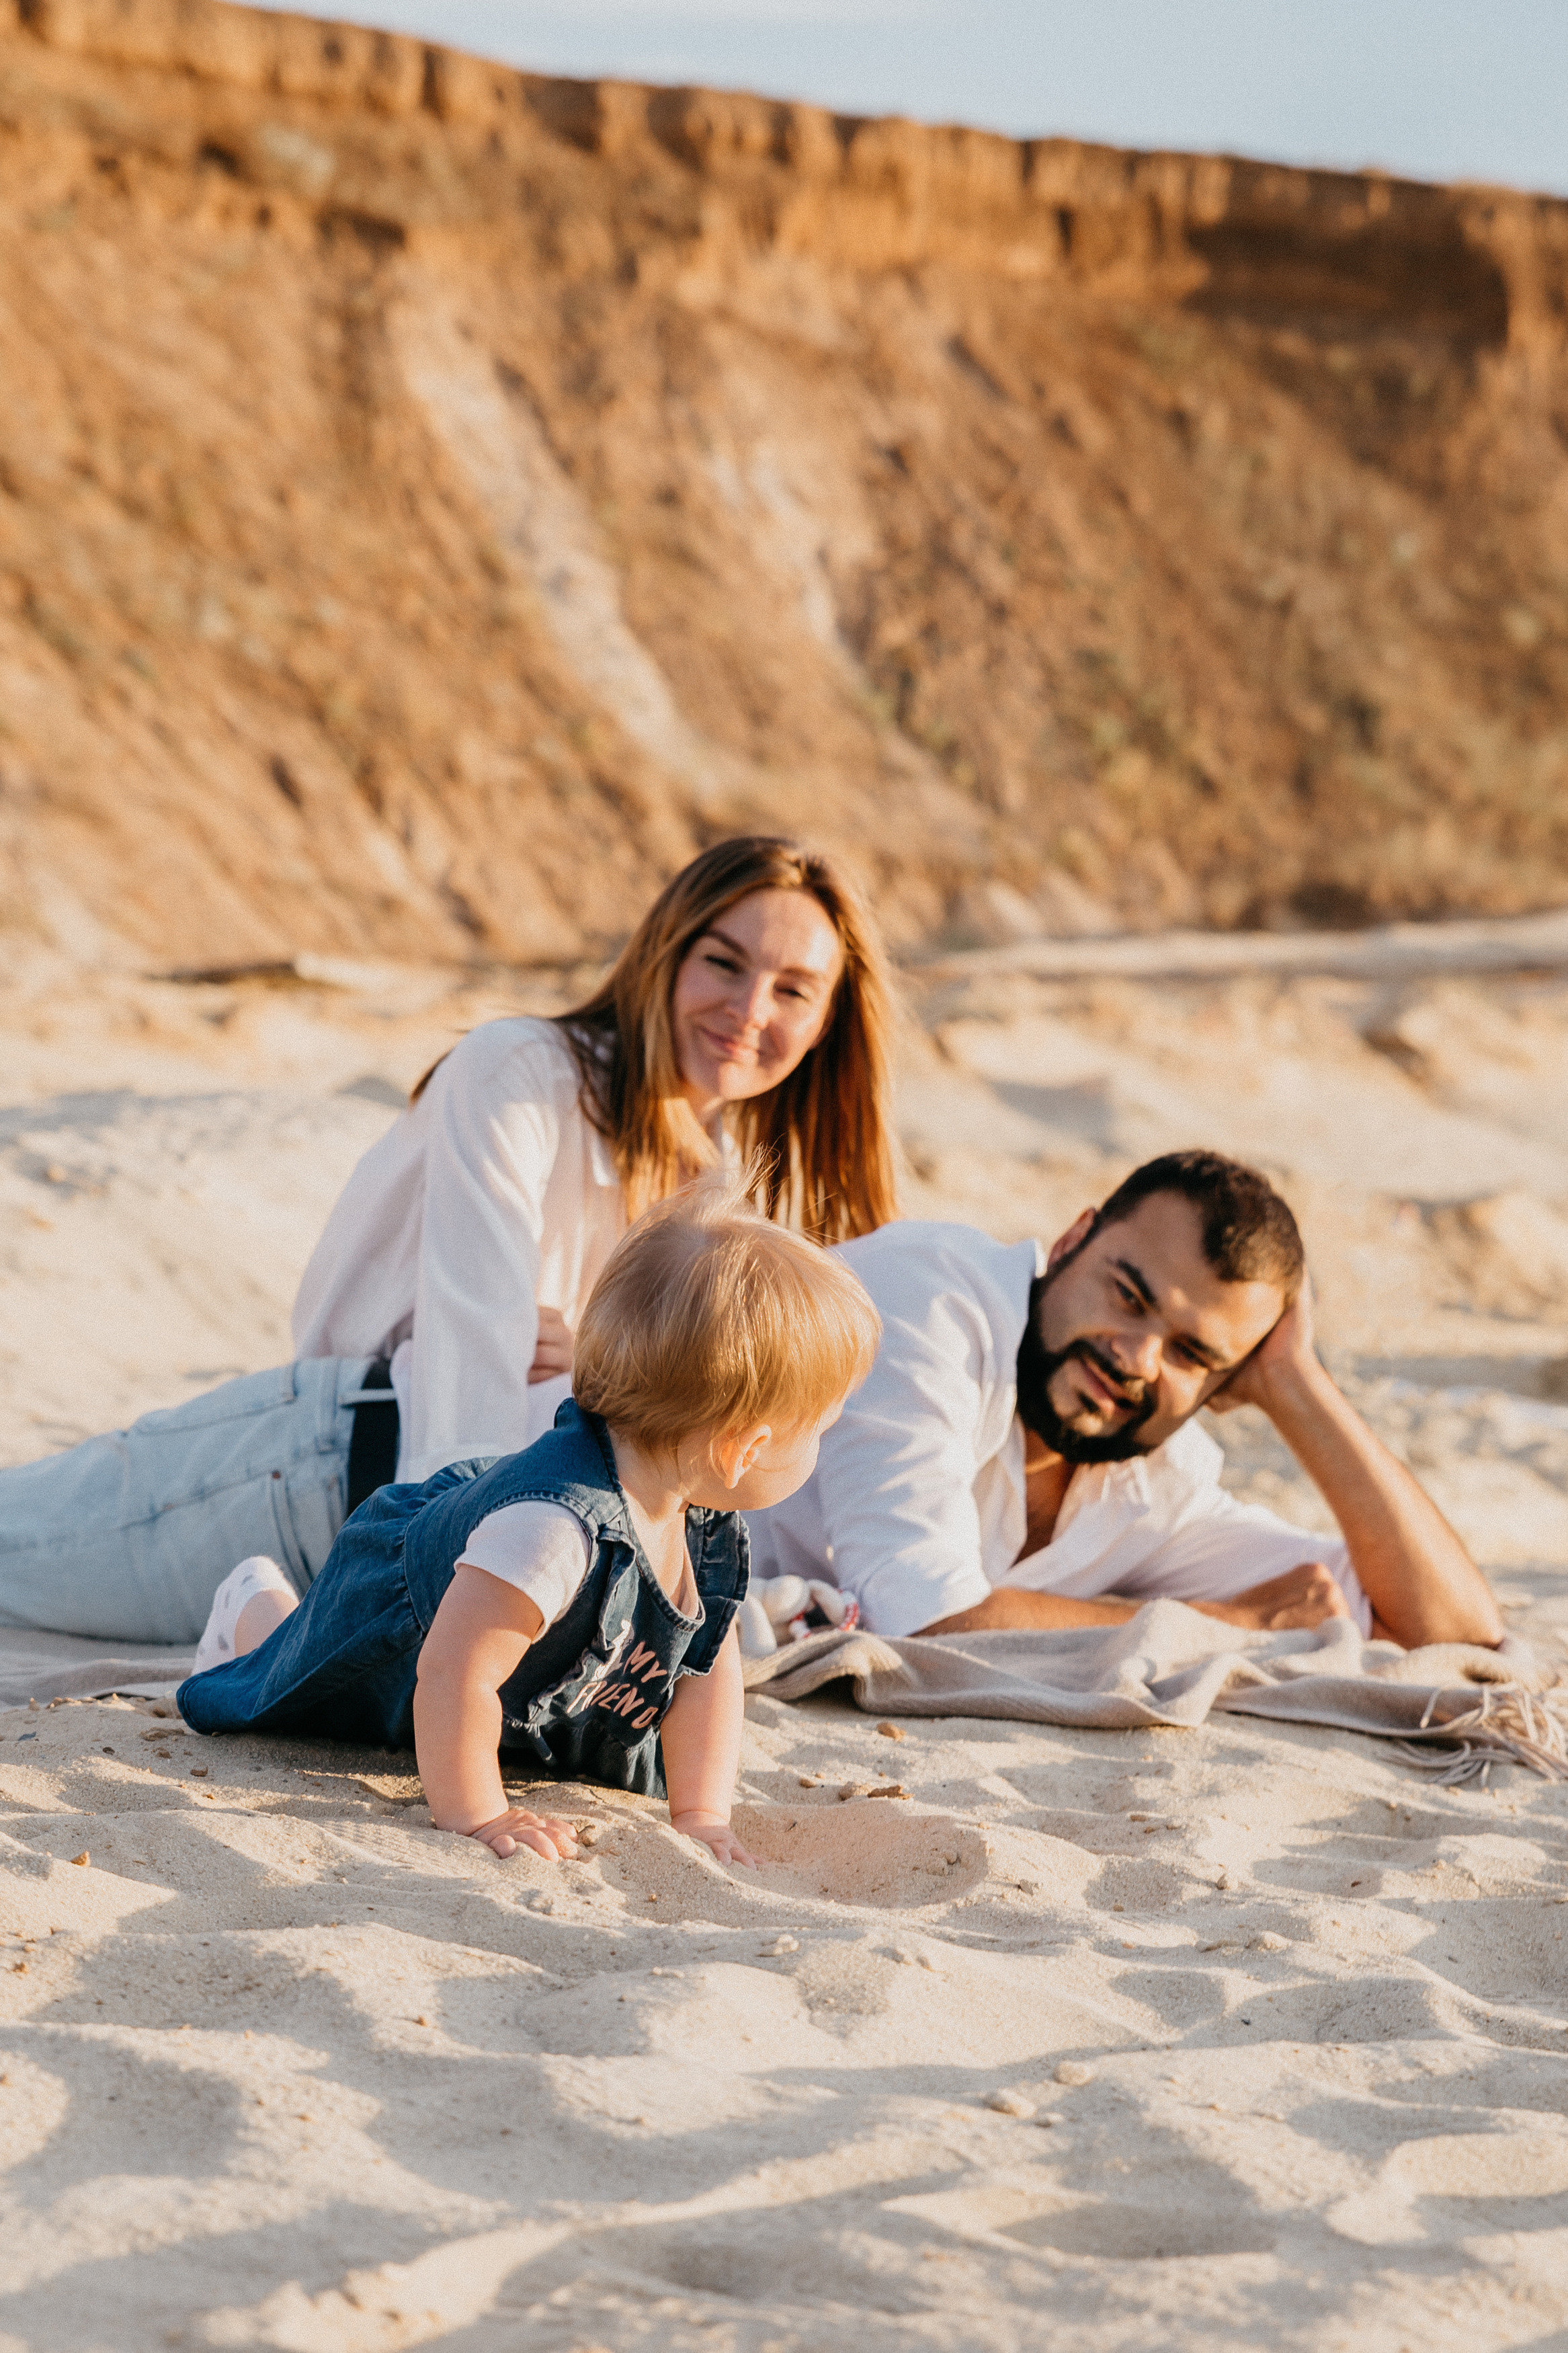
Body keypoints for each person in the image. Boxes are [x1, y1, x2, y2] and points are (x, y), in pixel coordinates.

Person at [0, 838, 897, 1647]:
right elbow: (474, 1368)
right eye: (723, 963)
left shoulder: (729, 1176)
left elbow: (704, 1438)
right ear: (665, 953)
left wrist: (593, 1360)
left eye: (791, 990)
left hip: (473, 1544)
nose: (748, 1009)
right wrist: (612, 1384)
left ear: (828, 1019)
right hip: (320, 1476)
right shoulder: (519, 1073)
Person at [178, 1179, 881, 1866]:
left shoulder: (701, 1521)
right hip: (402, 1631)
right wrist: (479, 1812)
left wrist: (700, 1814)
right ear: (743, 1448)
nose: (818, 1447)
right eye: (818, 1428)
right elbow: (456, 1669)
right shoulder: (554, 1531)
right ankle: (253, 1600)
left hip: (533, 1688)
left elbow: (704, 1670)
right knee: (293, 1673)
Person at [746, 1151, 1502, 1652]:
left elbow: (1451, 1631)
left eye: (1191, 1353)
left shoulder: (1152, 1486)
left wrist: (1295, 1384)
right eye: (1128, 1294)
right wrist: (1225, 1626)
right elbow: (922, 1622)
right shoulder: (930, 1303)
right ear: (1075, 1237)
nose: (1134, 1358)